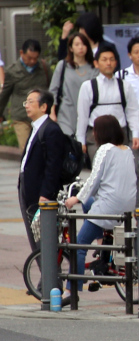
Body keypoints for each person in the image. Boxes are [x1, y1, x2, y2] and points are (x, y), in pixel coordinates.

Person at [63, 115, 137, 295]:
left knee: (79, 246)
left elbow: (94, 179)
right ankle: (101, 240)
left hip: (108, 207)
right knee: (90, 202)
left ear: (100, 132)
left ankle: (72, 291)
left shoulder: (104, 149)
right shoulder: (127, 151)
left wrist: (76, 198)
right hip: (126, 207)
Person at [18, 89, 65, 255]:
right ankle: (48, 279)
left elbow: (54, 165)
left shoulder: (51, 130)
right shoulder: (37, 127)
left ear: (44, 106)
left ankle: (52, 279)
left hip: (40, 193)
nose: (27, 105)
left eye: (31, 102)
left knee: (42, 238)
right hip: (27, 188)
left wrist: (46, 193)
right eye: (26, 102)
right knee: (35, 238)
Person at [76, 47, 139, 163]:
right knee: (100, 171)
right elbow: (82, 116)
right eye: (104, 59)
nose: (108, 63)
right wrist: (81, 140)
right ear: (96, 63)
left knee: (121, 171)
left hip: (120, 135)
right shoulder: (88, 86)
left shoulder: (125, 86)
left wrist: (135, 134)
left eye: (112, 59)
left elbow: (133, 111)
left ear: (116, 63)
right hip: (95, 135)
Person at [0, 40, 50, 151]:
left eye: (35, 58)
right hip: (22, 117)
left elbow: (52, 89)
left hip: (41, 116)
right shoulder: (12, 71)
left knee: (44, 149)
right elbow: (4, 95)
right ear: (21, 53)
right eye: (29, 58)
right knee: (27, 150)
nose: (32, 61)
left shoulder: (44, 68)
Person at [49, 32, 98, 137]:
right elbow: (53, 90)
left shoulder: (94, 68)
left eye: (83, 44)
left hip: (89, 114)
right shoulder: (63, 66)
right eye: (77, 44)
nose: (80, 47)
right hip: (66, 114)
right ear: (71, 48)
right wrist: (52, 113)